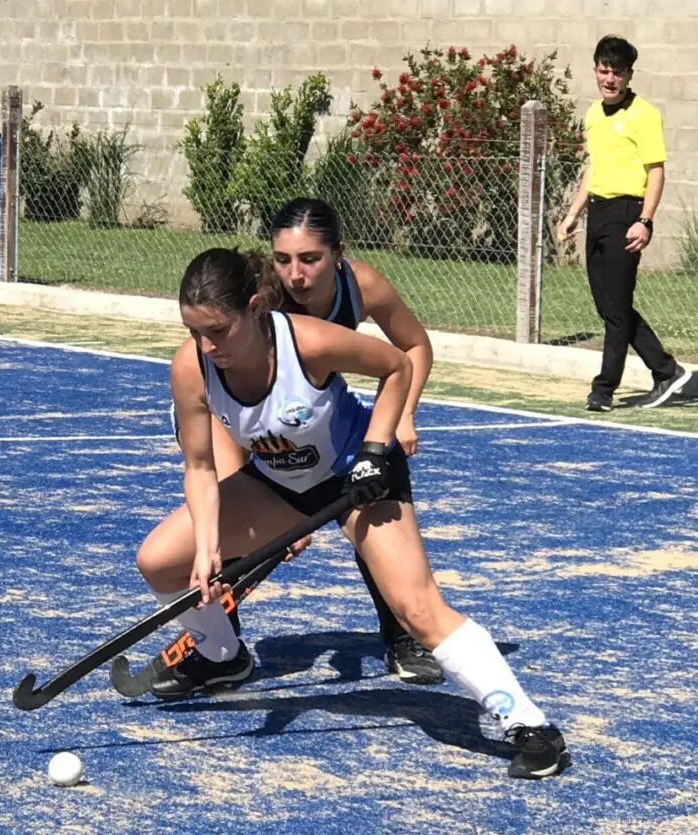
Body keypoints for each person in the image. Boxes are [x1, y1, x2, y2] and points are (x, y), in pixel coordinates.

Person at [135, 247, 571, 780]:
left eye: (218, 330)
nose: (206, 345)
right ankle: (223, 656)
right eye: (194, 330)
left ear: (252, 309)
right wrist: (209, 551)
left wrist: (374, 451)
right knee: (160, 561)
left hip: (355, 476)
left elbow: (398, 366)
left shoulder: (309, 342)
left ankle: (532, 728)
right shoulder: (192, 367)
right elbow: (201, 467)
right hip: (278, 485)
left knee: (416, 609)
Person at [173, 198, 442, 685]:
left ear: (338, 254)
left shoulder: (362, 287)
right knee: (226, 520)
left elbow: (413, 347)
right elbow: (231, 413)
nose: (294, 274)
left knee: (366, 490)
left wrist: (403, 415)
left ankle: (401, 634)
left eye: (310, 259)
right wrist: (270, 496)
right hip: (237, 421)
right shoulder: (262, 307)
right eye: (282, 260)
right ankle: (221, 648)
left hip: (317, 414)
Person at [558, 35, 692, 412]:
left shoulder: (645, 114)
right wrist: (573, 214)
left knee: (617, 310)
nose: (610, 78)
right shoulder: (593, 115)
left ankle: (603, 390)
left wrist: (645, 221)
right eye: (604, 70)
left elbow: (656, 172)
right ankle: (667, 371)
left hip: (627, 214)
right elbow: (593, 169)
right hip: (598, 213)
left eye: (618, 72)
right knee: (608, 306)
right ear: (596, 71)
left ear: (629, 74)